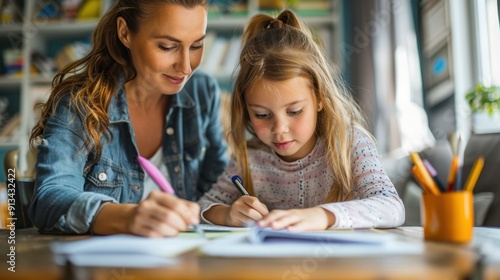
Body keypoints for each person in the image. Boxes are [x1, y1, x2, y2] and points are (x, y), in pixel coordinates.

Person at [28, 0, 228, 237]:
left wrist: (224, 211)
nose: (185, 67)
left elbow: (218, 184)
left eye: (196, 46)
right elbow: (48, 199)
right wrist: (126, 217)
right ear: (125, 33)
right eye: (166, 47)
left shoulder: (203, 91)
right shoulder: (79, 103)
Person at [198, 9, 405, 231]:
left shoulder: (350, 144)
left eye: (294, 111)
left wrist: (323, 216)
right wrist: (228, 214)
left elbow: (392, 207)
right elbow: (202, 206)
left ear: (319, 98)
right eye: (262, 115)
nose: (279, 129)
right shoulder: (249, 159)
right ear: (246, 109)